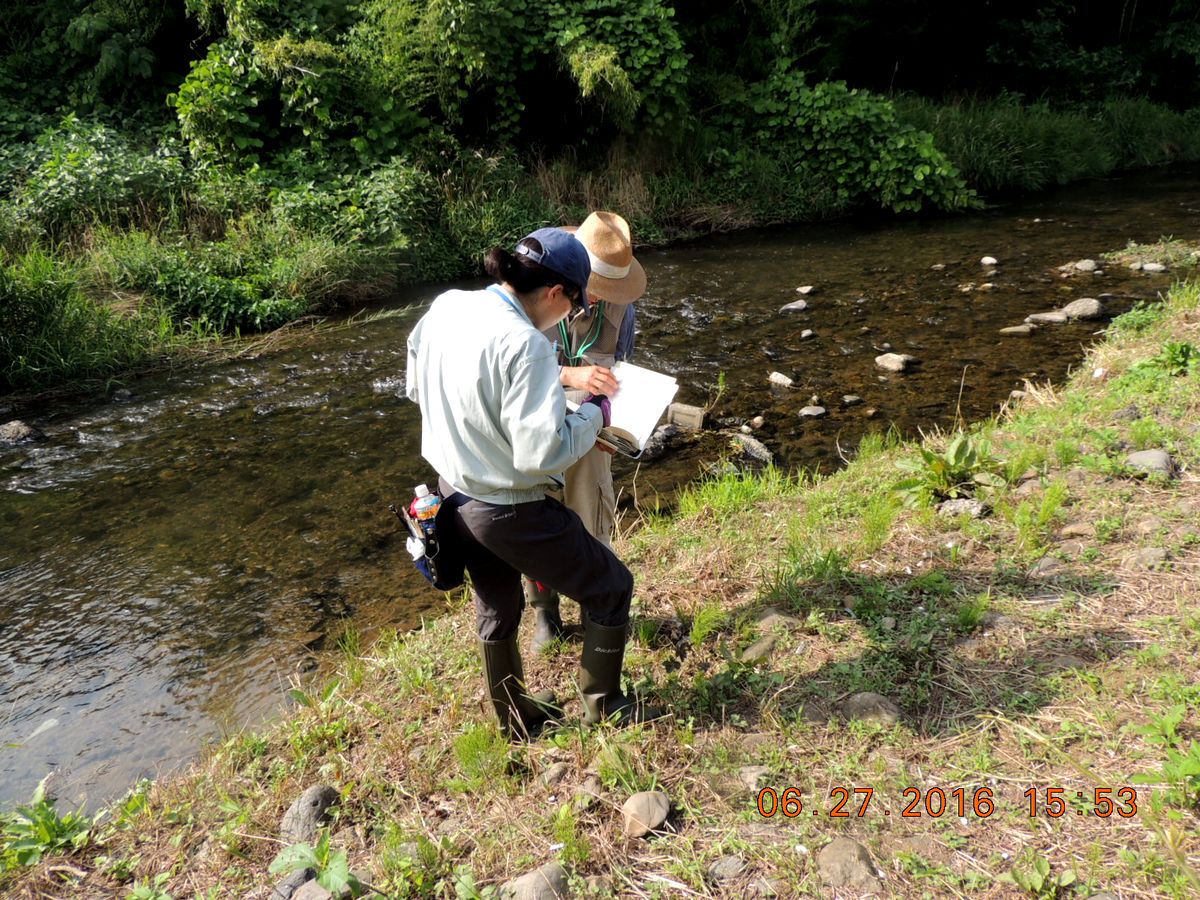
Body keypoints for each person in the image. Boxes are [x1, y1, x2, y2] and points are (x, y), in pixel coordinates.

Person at [405, 227, 662, 739]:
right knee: (612, 587)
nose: (571, 314)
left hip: (451, 495)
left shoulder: (447, 306)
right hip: (506, 508)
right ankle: (604, 704)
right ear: (554, 294)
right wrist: (595, 413)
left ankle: (514, 719)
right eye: (574, 304)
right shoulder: (527, 344)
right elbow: (540, 453)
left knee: (498, 608)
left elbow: (417, 386)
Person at [523, 211, 646, 654]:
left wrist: (619, 413)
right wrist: (570, 376)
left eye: (609, 290)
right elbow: (511, 369)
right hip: (535, 420)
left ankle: (596, 609)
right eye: (594, 285)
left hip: (593, 428)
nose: (598, 297)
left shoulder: (623, 307)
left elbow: (622, 369)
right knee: (536, 513)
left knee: (591, 512)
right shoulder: (536, 287)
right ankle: (544, 613)